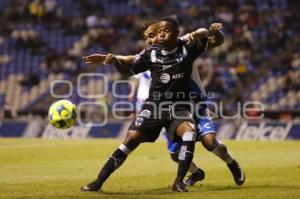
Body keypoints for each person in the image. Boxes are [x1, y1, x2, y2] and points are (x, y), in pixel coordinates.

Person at [83, 17, 245, 187]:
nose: (152, 39)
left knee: (209, 142)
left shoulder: (185, 44)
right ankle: (196, 173)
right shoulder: (151, 52)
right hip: (163, 106)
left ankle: (231, 163)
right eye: (149, 36)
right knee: (175, 154)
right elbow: (131, 59)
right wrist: (112, 58)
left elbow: (210, 38)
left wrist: (209, 31)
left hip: (194, 103)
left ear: (174, 32)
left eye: (153, 34)